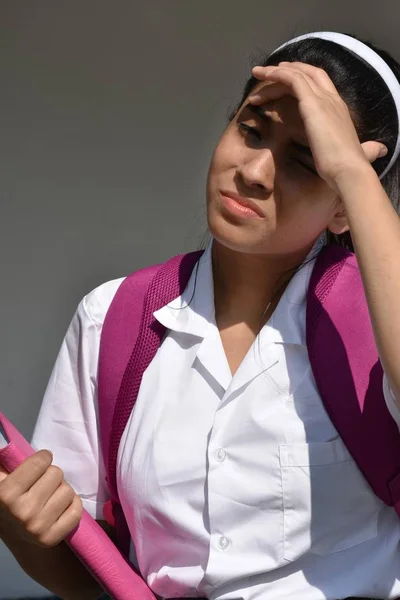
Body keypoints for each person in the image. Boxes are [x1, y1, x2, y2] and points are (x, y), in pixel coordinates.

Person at [1, 29, 400, 600]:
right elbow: (90, 570)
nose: (255, 172)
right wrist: (24, 537)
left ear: (344, 204)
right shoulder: (112, 318)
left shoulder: (374, 325)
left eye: (307, 162)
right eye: (251, 130)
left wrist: (355, 175)